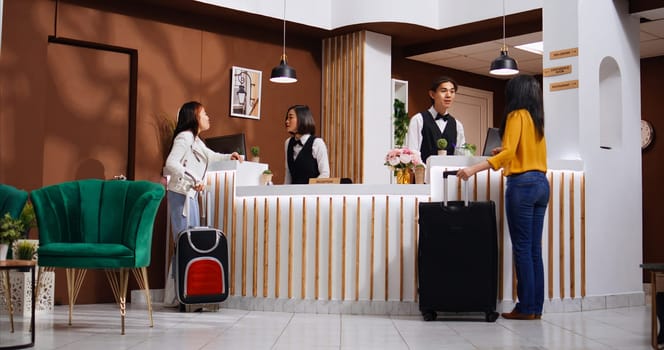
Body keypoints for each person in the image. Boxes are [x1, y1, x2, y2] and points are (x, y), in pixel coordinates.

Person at [456, 75, 549, 320]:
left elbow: (509, 154)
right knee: (534, 250)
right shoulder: (536, 120)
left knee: (521, 248)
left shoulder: (516, 115)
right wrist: (504, 152)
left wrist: (473, 169)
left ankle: (525, 307)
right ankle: (535, 308)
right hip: (541, 184)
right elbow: (517, 151)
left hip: (523, 185)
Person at [162, 100, 242, 306]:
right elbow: (171, 164)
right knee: (184, 243)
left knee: (189, 242)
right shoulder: (185, 137)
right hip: (181, 195)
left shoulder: (197, 141)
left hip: (190, 196)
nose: (208, 117)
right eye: (204, 113)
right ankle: (178, 295)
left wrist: (229, 156)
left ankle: (186, 293)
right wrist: (193, 180)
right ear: (194, 116)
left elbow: (212, 156)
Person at [406, 76, 466, 163]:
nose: (448, 95)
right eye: (443, 91)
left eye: (452, 91)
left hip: (450, 175)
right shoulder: (418, 120)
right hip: (424, 174)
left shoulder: (457, 125)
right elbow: (413, 153)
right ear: (432, 94)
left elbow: (461, 155)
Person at [283, 105, 330, 184]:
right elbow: (288, 174)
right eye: (287, 118)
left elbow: (325, 174)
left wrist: (309, 189)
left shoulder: (317, 143)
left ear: (302, 118)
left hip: (312, 193)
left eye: (290, 118)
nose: (287, 121)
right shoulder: (288, 143)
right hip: (293, 193)